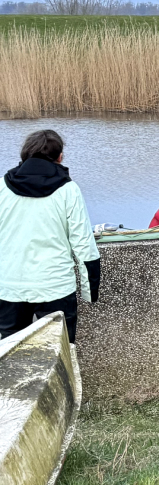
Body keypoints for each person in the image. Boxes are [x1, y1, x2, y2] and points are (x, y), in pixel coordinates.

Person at [0, 130, 99, 342]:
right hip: (55, 286)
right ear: (60, 157)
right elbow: (83, 245)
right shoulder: (68, 190)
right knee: (59, 354)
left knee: (9, 360)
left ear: (24, 155)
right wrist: (89, 293)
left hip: (9, 286)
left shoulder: (1, 187)